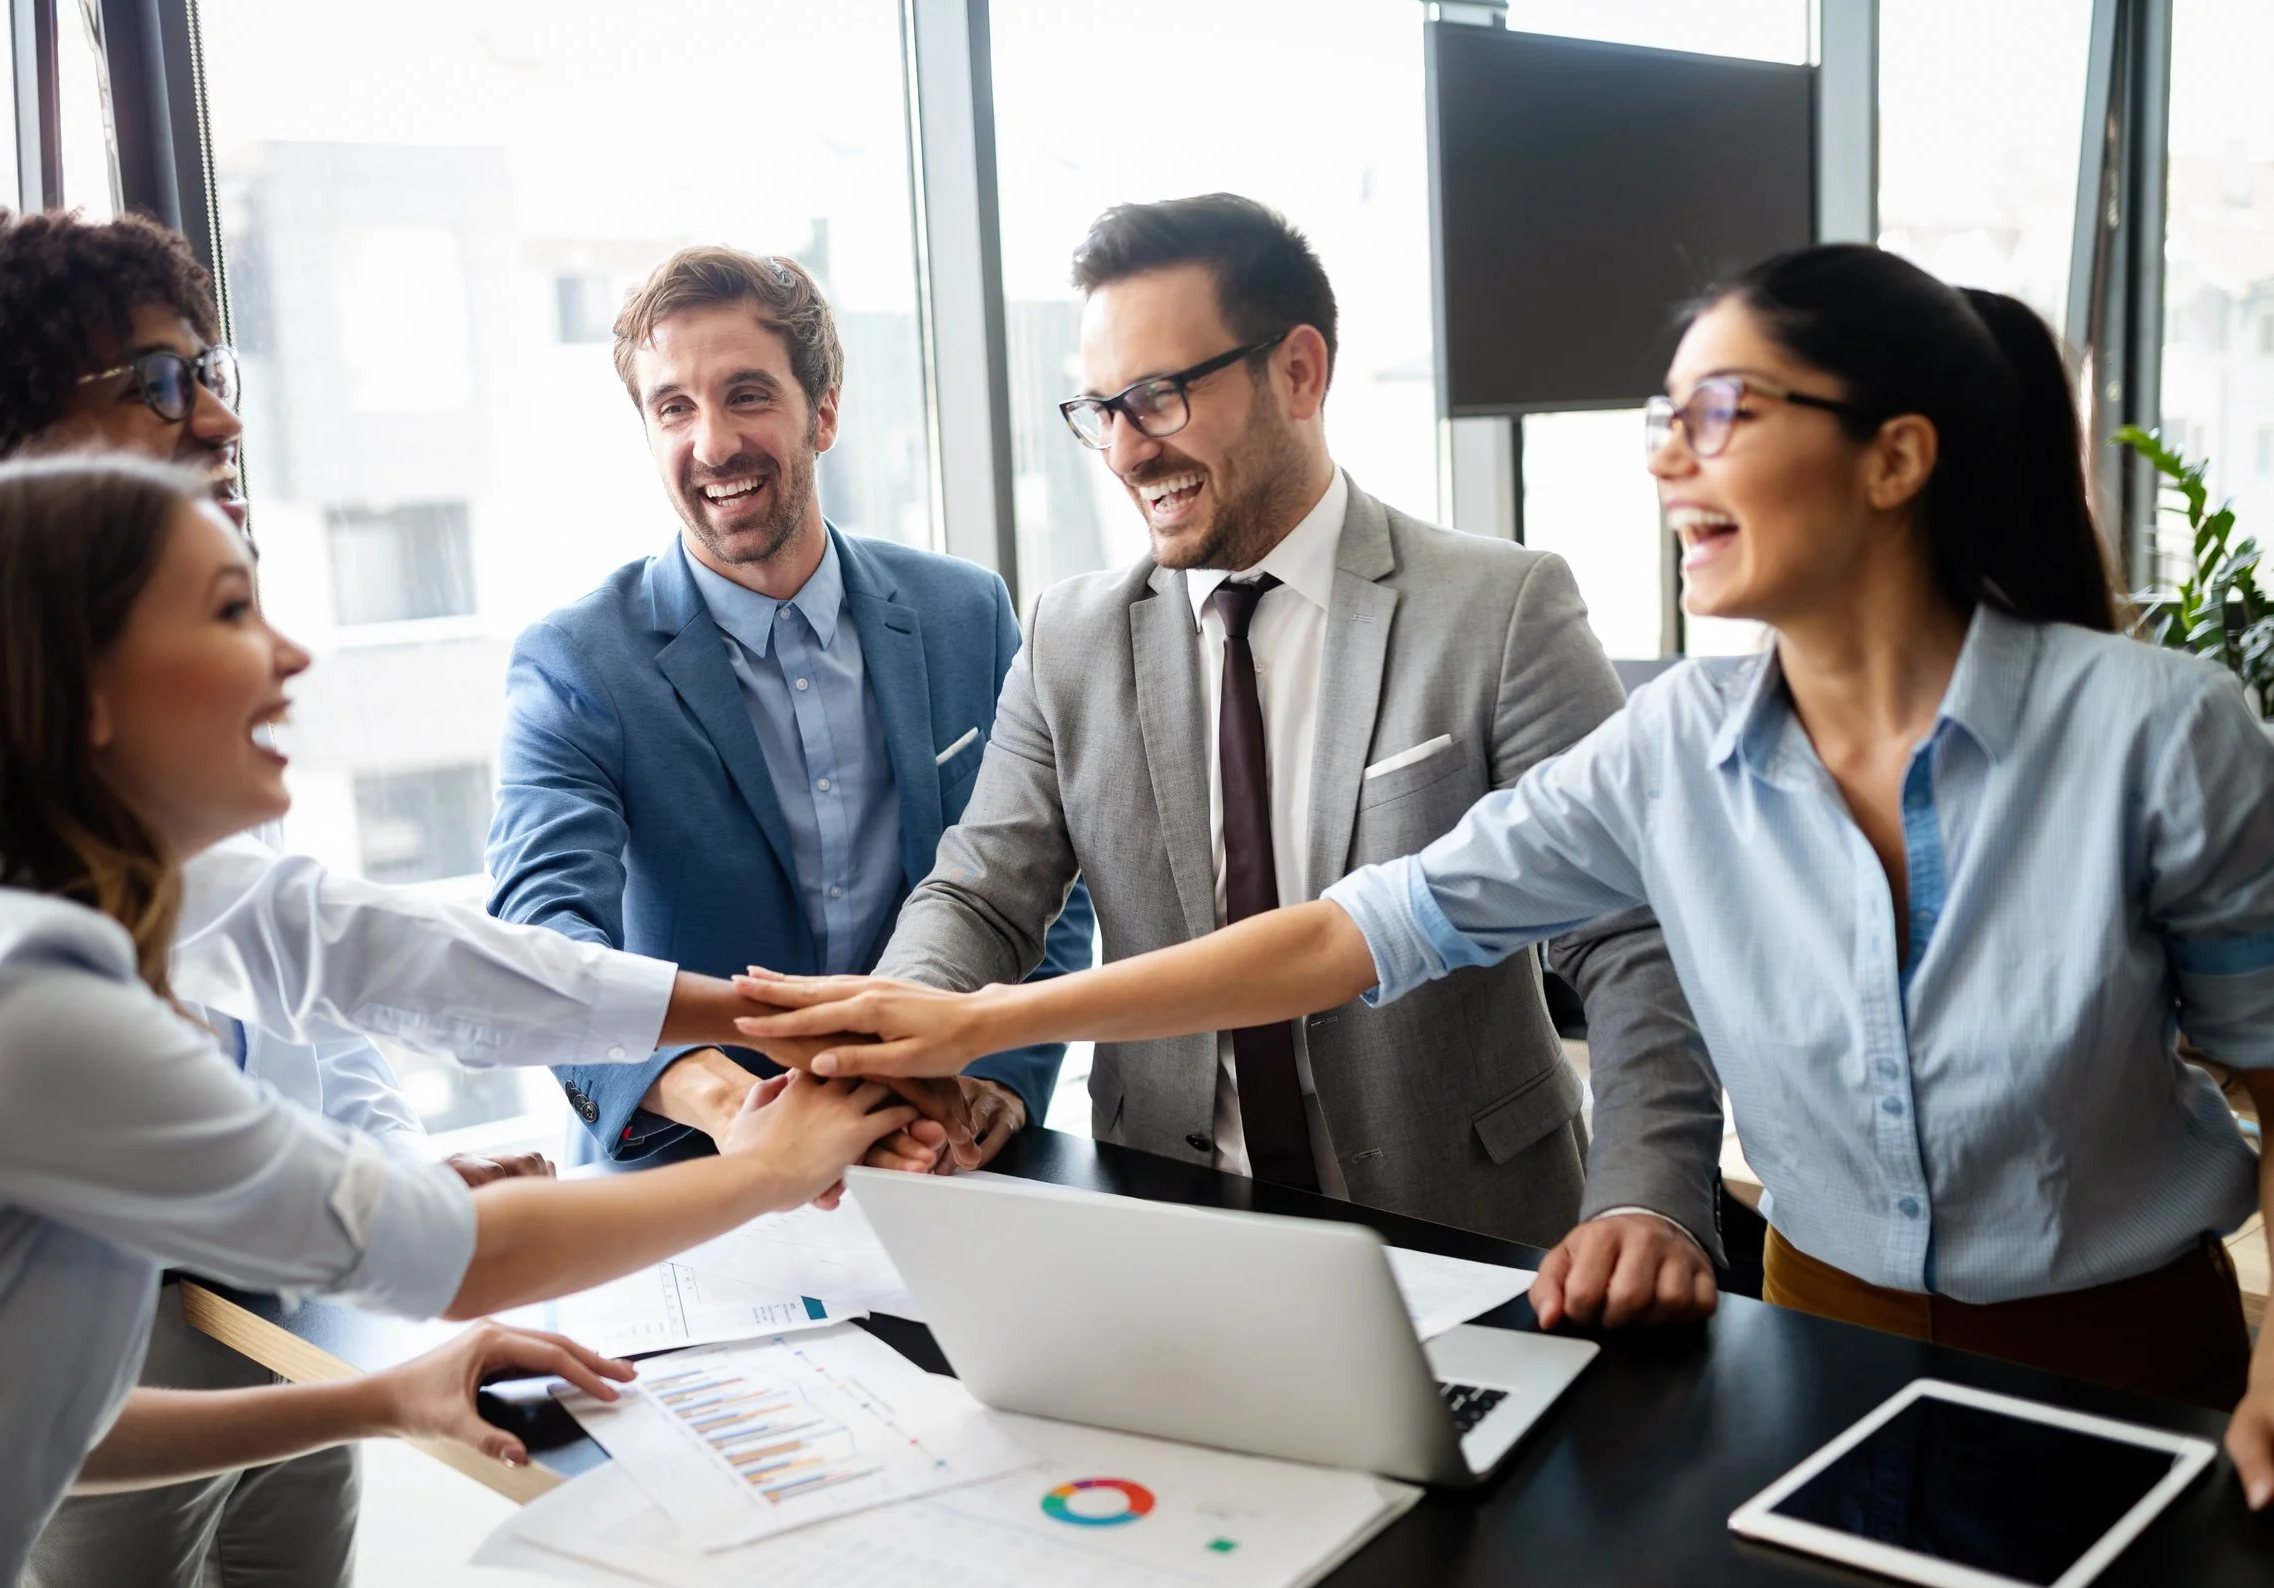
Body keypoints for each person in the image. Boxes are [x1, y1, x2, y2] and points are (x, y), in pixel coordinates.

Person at [733, 244, 2274, 1490]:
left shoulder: (2164, 734)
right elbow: (1357, 926)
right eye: (1661, 419)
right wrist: (967, 1021)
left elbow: (2272, 1060)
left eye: (1721, 413)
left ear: (1894, 459)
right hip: (1814, 1340)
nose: (1672, 460)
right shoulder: (1678, 746)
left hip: (2123, 1345)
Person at [0, 455, 908, 1588]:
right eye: (226, 610)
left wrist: (373, 1399)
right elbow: (468, 1261)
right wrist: (775, 1163)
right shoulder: (14, 999)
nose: (292, 654)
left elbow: (26, 1427)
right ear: (82, 688)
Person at [0, 206, 739, 1588]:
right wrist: (762, 1110)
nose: (214, 412)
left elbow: (298, 1001)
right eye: (153, 379)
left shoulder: (129, 689)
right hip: (105, 1325)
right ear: (16, 440)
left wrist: (374, 1186)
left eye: (209, 364)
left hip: (250, 1309)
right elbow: (336, 945)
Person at [813, 194, 1722, 1280]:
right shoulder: (1069, 634)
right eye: (1098, 409)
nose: (1124, 450)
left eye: (1154, 398)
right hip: (1168, 1225)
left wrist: (1647, 1195)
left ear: (1297, 371)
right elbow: (980, 892)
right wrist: (898, 1060)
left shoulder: (1500, 607)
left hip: (1470, 1232)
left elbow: (1628, 934)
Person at [485, 245, 1094, 1178]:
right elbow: (543, 938)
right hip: (694, 1170)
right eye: (674, 408)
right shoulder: (577, 663)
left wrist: (998, 1083)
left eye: (747, 395)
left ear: (825, 412)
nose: (714, 443)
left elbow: (1048, 875)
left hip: (942, 1156)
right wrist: (736, 1108)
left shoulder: (966, 614)